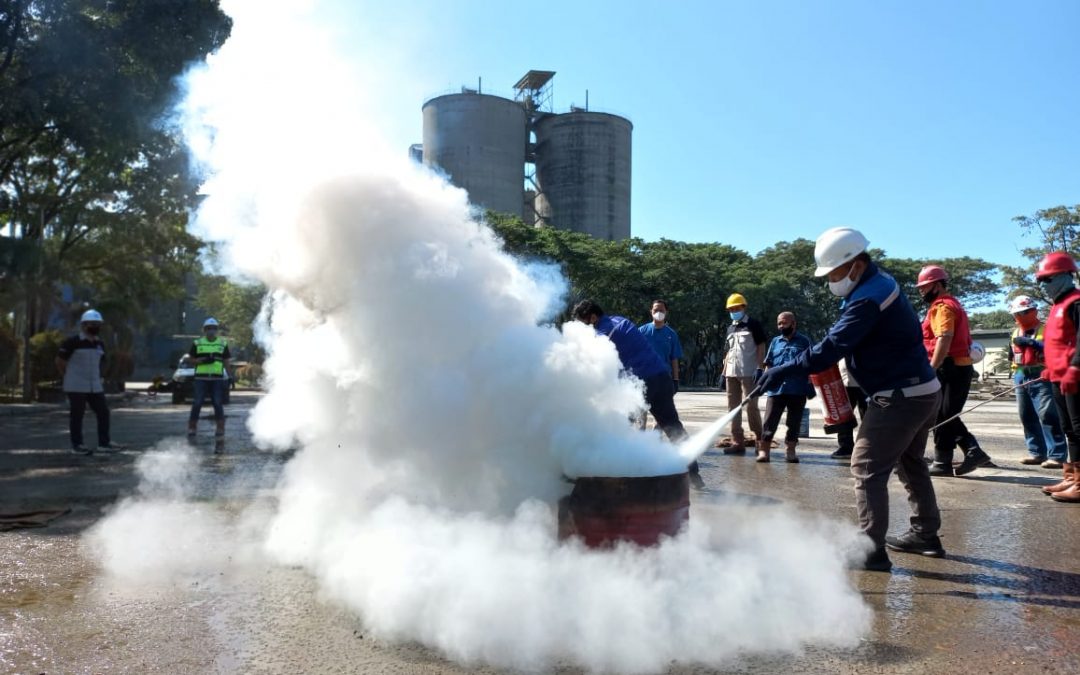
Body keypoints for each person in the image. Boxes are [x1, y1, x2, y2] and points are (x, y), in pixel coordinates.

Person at [755, 227, 944, 571]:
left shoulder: (868, 297)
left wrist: (781, 370)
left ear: (856, 264)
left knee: (867, 468)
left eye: (834, 273)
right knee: (911, 461)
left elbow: (830, 349)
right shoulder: (875, 284)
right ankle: (926, 534)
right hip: (923, 390)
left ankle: (870, 550)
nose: (831, 281)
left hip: (898, 396)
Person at [572, 300, 701, 482]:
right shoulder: (620, 320)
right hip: (661, 378)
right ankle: (693, 472)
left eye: (584, 322)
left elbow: (596, 365)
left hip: (643, 383)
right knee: (672, 426)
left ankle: (618, 473)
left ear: (592, 317)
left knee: (617, 426)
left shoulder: (603, 334)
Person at [916, 265, 993, 477]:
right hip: (954, 367)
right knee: (944, 414)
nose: (921, 291)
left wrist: (933, 367)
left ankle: (951, 459)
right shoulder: (951, 305)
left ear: (938, 285)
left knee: (943, 415)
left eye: (925, 286)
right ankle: (960, 455)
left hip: (949, 367)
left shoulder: (943, 307)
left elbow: (944, 338)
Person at [1034, 252, 1080, 503]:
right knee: (1069, 429)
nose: (1044, 285)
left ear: (1065, 275)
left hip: (1075, 376)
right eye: (1041, 280)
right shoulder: (1057, 306)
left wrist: (1075, 367)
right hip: (1058, 376)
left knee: (1079, 428)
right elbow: (1058, 342)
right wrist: (1051, 366)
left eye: (1048, 279)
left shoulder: (1076, 302)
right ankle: (1072, 477)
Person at [1007, 295, 1067, 468]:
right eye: (1017, 313)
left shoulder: (1046, 329)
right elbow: (1012, 355)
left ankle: (1057, 455)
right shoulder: (1015, 333)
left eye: (1024, 312)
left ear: (1034, 311)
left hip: (1041, 374)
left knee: (1048, 415)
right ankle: (1036, 452)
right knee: (1026, 415)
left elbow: (1056, 350)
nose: (1020, 316)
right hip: (1020, 375)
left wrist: (1033, 344)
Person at [55, 309, 116, 454]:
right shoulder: (73, 342)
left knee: (103, 412)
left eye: (98, 324)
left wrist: (100, 376)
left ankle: (104, 443)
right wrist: (67, 376)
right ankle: (77, 445)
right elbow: (59, 361)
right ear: (84, 325)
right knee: (77, 415)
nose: (95, 327)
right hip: (76, 385)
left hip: (94, 385)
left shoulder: (99, 344)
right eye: (92, 324)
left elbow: (102, 362)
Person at [758, 312, 814, 463]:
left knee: (794, 422)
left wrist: (810, 384)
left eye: (784, 323)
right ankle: (764, 450)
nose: (781, 326)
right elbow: (768, 363)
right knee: (769, 420)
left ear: (793, 323)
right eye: (779, 323)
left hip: (797, 388)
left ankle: (790, 450)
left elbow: (810, 363)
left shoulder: (804, 342)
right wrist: (765, 379)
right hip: (776, 389)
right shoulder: (775, 342)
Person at [719, 292, 766, 454]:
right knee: (733, 408)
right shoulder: (730, 328)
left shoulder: (753, 324)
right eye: (731, 309)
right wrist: (723, 373)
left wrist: (760, 368)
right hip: (731, 373)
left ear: (743, 307)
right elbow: (728, 351)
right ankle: (737, 441)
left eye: (736, 308)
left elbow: (761, 346)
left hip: (749, 372)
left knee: (751, 407)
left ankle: (760, 440)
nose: (734, 311)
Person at [187, 317, 232, 439]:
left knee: (217, 403)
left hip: (217, 379)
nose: (211, 331)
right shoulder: (197, 343)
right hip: (201, 379)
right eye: (208, 328)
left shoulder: (222, 344)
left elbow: (226, 361)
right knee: (197, 403)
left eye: (213, 328)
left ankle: (220, 428)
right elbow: (190, 359)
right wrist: (199, 361)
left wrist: (230, 376)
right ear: (204, 330)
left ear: (216, 330)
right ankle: (192, 427)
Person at [831, 359, 868, 462]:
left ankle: (869, 447)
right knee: (843, 416)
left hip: (865, 382)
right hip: (843, 380)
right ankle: (846, 447)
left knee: (868, 417)